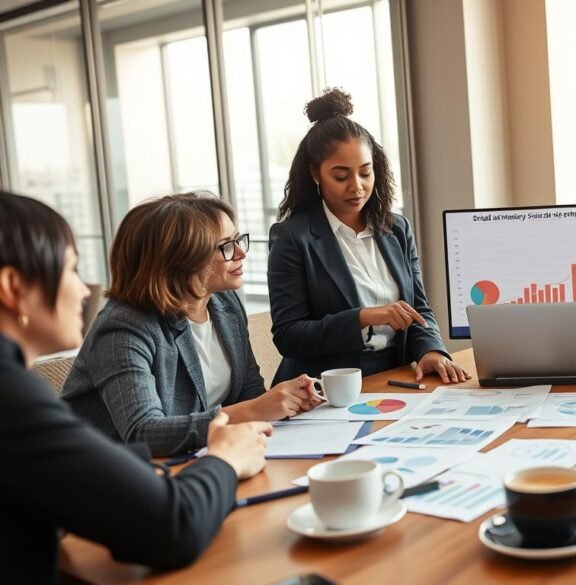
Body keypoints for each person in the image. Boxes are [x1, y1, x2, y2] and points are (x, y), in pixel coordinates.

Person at [0, 191, 270, 584]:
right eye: (71, 270)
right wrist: (224, 458)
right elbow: (172, 527)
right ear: (12, 287)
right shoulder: (13, 399)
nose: (84, 290)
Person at [63, 193, 318, 456]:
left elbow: (248, 391)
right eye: (226, 246)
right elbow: (143, 432)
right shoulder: (123, 328)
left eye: (238, 239)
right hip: (113, 474)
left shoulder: (224, 303)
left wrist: (285, 402)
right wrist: (256, 409)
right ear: (180, 260)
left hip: (199, 458)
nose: (241, 252)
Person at [268, 88, 468, 385]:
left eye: (365, 172)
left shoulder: (396, 228)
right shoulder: (292, 237)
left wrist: (430, 350)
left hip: (395, 374)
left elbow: (418, 308)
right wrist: (363, 317)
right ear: (315, 173)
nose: (357, 186)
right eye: (341, 176)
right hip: (326, 387)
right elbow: (289, 336)